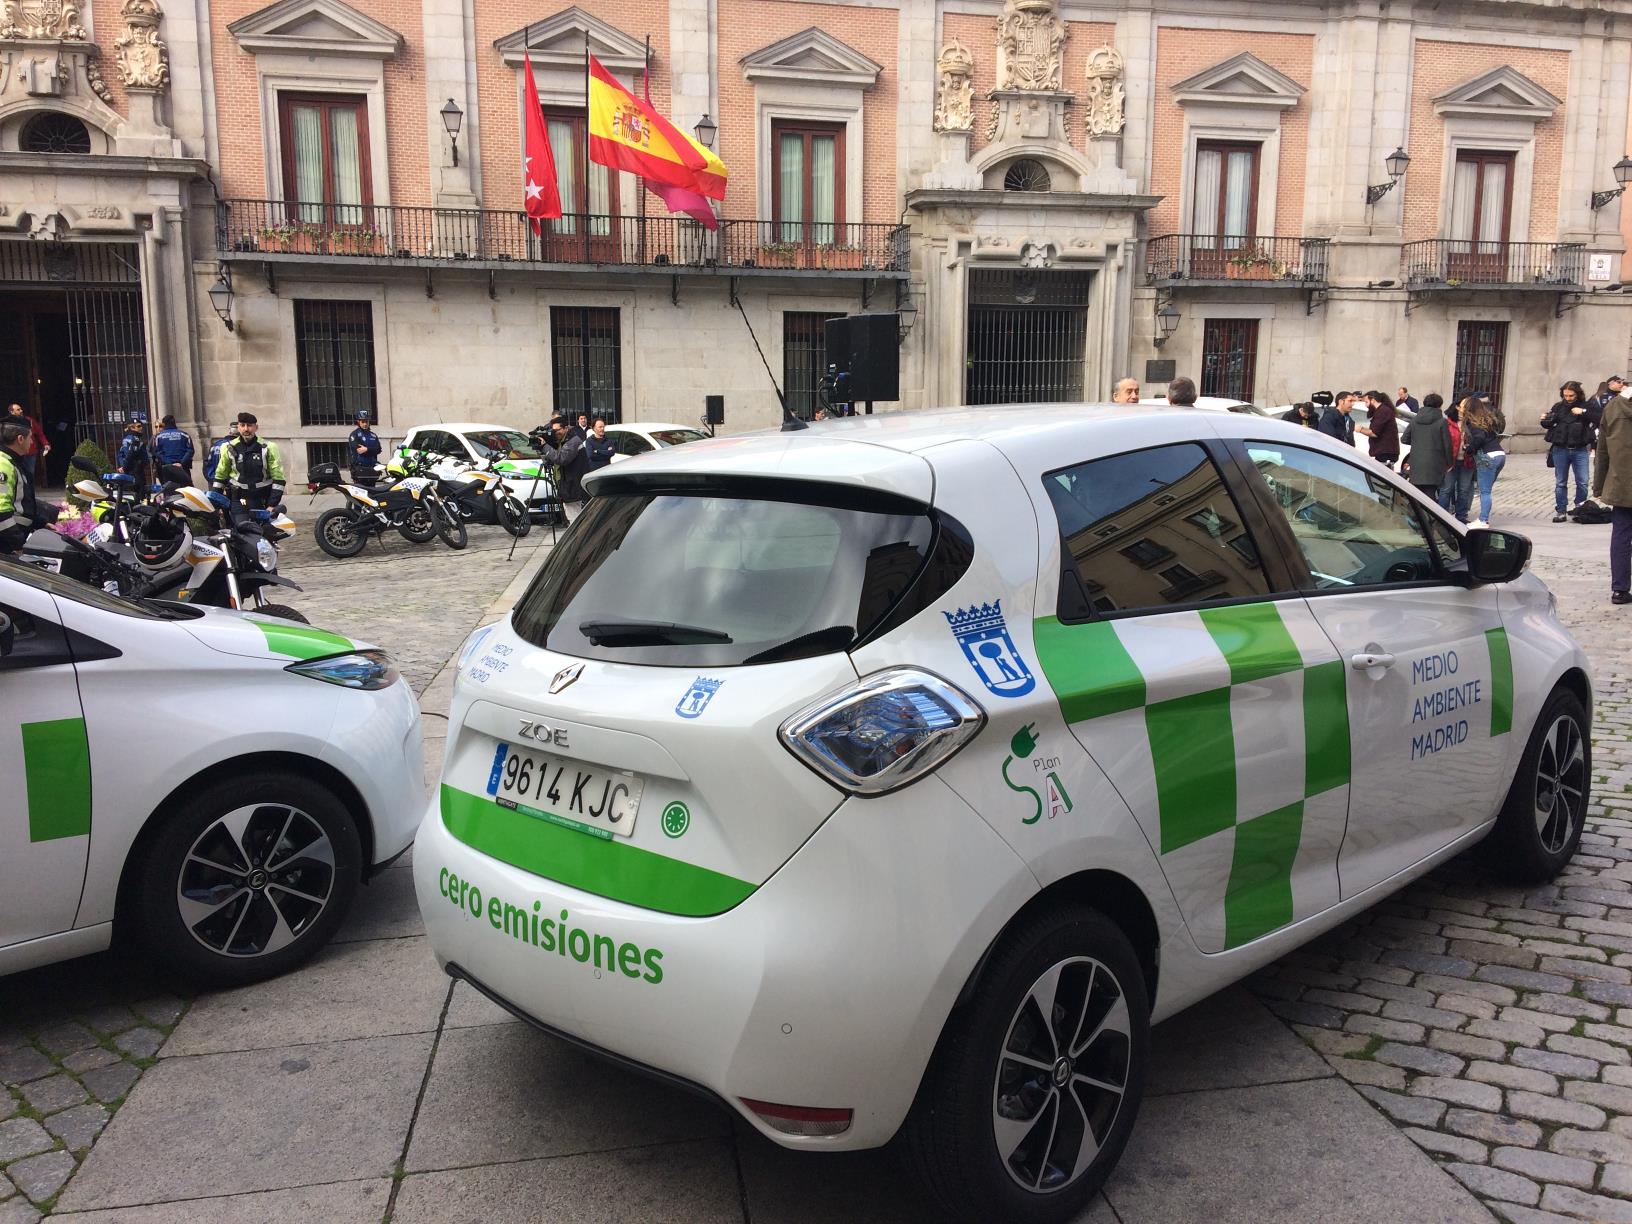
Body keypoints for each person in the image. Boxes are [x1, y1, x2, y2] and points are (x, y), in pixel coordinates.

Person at [1595, 385, 1632, 604]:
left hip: (1620, 484)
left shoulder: (1612, 408)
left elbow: (1602, 451)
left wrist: (1599, 486)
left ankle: (1619, 589)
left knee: (1621, 536)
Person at [1541, 381, 1598, 522]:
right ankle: (1561, 510)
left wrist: (1583, 412)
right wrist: (1544, 419)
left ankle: (1579, 507)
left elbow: (1599, 418)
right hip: (1560, 449)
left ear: (1577, 394)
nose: (1568, 398)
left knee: (1583, 482)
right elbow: (1548, 424)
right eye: (1565, 395)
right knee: (1560, 482)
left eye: (1571, 395)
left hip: (1580, 449)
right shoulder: (1558, 407)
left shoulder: (1586, 406)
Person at [0, 421, 54, 553]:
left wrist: (41, 523)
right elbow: (1, 511)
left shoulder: (13, 462)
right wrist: (16, 544)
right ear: (20, 439)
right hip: (6, 544)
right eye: (30, 437)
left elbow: (21, 503)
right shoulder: (4, 465)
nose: (31, 442)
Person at [212, 412, 286, 509]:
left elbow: (279, 478)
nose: (246, 429)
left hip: (262, 499)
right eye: (242, 425)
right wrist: (215, 502)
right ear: (238, 427)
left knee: (265, 524)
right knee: (242, 524)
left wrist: (272, 504)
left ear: (256, 427)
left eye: (249, 426)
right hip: (239, 499)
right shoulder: (227, 447)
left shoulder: (269, 447)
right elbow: (220, 475)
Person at [532, 415, 589, 517]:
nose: (555, 433)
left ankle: (575, 532)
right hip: (567, 484)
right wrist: (542, 448)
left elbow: (561, 459)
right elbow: (551, 458)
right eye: (553, 431)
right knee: (571, 514)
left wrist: (545, 446)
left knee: (574, 516)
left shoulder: (573, 441)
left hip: (574, 486)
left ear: (565, 428)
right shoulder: (561, 441)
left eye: (557, 430)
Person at [1462, 397, 1506, 528]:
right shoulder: (1487, 420)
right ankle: (1483, 518)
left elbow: (1479, 438)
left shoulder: (1473, 422)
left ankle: (1483, 520)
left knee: (1485, 491)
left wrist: (1469, 448)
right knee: (1487, 490)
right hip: (1500, 454)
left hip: (1487, 457)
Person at [1400, 393, 1452, 500]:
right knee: (1430, 494)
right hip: (1434, 463)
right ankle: (1428, 516)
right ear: (1439, 406)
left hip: (1416, 462)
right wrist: (1450, 462)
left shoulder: (1415, 420)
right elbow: (1447, 445)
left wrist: (1418, 443)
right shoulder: (1442, 422)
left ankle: (1416, 515)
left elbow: (1404, 439)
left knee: (1416, 495)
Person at [1439, 404, 1476, 523]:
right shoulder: (1447, 424)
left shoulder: (1469, 424)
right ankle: (1441, 515)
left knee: (1464, 490)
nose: (1462, 410)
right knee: (1446, 489)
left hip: (1466, 461)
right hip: (1451, 462)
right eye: (1460, 408)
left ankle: (1461, 516)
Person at [1356, 390, 1400, 467]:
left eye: (1366, 402)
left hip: (1385, 453)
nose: (1366, 405)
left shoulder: (1383, 411)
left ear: (1372, 400)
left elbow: (1374, 432)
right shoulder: (1381, 411)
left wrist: (1360, 429)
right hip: (1384, 452)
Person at [5, 404, 48, 480]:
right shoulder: (7, 423)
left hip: (30, 452)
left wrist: (46, 443)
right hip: (15, 453)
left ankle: (30, 491)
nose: (21, 411)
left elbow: (39, 433)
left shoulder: (29, 421)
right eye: (18, 410)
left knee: (30, 474)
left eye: (21, 409)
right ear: (11, 412)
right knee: (16, 475)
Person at [151, 414, 195, 485]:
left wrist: (169, 463)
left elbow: (157, 452)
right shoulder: (185, 435)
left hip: (167, 468)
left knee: (169, 491)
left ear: (164, 424)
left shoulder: (159, 437)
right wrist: (181, 463)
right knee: (186, 491)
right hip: (183, 468)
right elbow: (190, 451)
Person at [115, 416, 153, 492]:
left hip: (128, 470)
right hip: (135, 471)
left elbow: (120, 454)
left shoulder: (126, 439)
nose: (141, 428)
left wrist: (122, 466)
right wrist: (125, 468)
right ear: (132, 428)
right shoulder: (135, 439)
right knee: (138, 494)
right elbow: (131, 455)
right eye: (138, 426)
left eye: (141, 426)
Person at [348, 410, 382, 487]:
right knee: (360, 493)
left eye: (366, 421)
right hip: (360, 469)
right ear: (358, 422)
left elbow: (378, 449)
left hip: (371, 469)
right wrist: (372, 450)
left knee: (372, 492)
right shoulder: (355, 434)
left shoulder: (373, 435)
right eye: (363, 422)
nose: (365, 424)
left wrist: (367, 449)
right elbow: (359, 450)